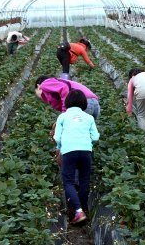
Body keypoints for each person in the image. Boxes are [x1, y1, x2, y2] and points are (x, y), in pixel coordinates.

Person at [54, 89, 100, 224]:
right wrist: (88, 143)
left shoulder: (62, 117)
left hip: (69, 151)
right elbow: (96, 137)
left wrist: (59, 147)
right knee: (84, 180)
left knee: (68, 181)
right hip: (86, 151)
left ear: (67, 102)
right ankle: (84, 209)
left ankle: (78, 211)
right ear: (84, 103)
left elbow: (57, 137)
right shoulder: (89, 117)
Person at [35, 75, 100, 120]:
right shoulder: (54, 86)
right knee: (85, 133)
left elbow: (64, 88)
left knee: (76, 133)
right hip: (94, 102)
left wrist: (65, 114)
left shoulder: (45, 84)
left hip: (83, 103)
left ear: (38, 86)